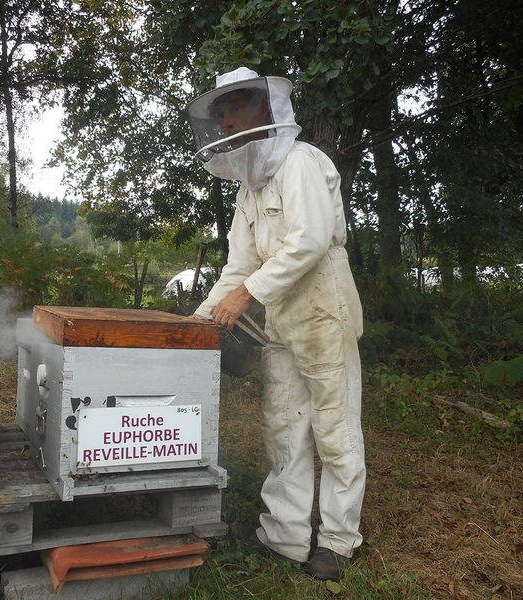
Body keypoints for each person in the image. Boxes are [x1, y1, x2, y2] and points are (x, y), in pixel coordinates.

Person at [184, 67, 366, 581]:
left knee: (334, 424)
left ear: (265, 108)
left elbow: (308, 242)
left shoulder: (302, 162)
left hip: (323, 306)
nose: (227, 120)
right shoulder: (250, 187)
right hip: (281, 314)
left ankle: (336, 541)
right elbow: (237, 269)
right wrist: (191, 327)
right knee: (283, 425)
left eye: (236, 107)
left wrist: (247, 295)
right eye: (221, 113)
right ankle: (284, 534)